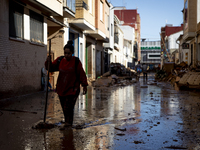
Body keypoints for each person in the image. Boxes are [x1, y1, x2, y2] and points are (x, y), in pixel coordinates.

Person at [45, 40, 88, 128]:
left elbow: (81, 73)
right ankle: (67, 122)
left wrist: (84, 85)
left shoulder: (76, 61)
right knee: (64, 107)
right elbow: (51, 68)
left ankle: (69, 123)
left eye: (68, 53)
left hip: (73, 89)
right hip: (62, 88)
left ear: (72, 53)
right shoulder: (60, 60)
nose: (66, 55)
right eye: (65, 53)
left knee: (69, 107)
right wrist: (48, 62)